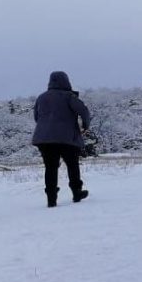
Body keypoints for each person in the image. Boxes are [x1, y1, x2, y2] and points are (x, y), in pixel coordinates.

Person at [31, 71, 91, 208]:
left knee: (50, 168)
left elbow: (37, 117)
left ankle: (51, 199)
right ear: (66, 81)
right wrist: (85, 126)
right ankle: (77, 192)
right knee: (72, 164)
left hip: (45, 139)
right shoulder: (69, 97)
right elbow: (84, 111)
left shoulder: (41, 98)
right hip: (67, 138)